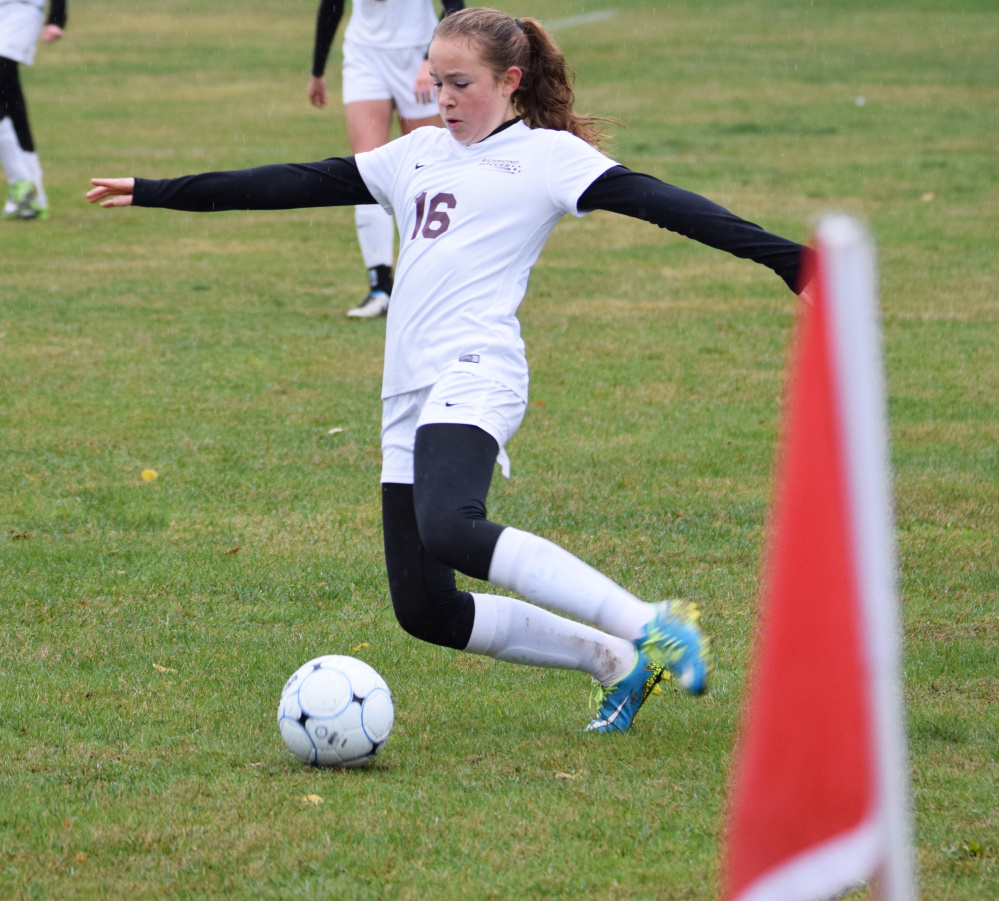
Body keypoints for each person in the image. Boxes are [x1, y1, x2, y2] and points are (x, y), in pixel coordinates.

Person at [88, 8, 813, 734]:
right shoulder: (418, 153)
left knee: (449, 525)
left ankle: (652, 621)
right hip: (404, 392)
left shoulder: (547, 157)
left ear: (510, 81)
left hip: (477, 366)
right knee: (426, 609)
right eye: (435, 82)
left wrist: (789, 261)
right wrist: (156, 189)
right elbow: (291, 180)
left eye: (460, 83)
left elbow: (667, 205)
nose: (443, 98)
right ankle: (614, 661)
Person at [309, 0, 463, 318]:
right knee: (366, 165)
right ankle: (380, 288)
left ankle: (433, 282)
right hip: (365, 55)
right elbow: (332, 5)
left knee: (428, 170)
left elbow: (454, 6)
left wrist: (430, 59)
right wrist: (317, 71)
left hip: (419, 53)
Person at [0, 0, 65, 220]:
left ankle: (21, 182)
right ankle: (35, 198)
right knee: (12, 106)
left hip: (22, 10)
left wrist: (57, 18)